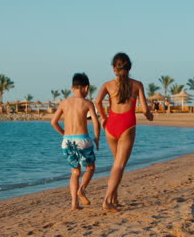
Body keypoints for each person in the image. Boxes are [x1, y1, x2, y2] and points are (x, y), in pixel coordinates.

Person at [95, 52, 153, 212]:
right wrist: (150, 116)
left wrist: (103, 117)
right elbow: (145, 109)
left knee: (116, 164)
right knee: (119, 165)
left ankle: (114, 198)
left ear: (114, 68)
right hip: (127, 125)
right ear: (130, 67)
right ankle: (107, 200)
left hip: (111, 125)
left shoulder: (108, 85)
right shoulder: (137, 85)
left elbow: (97, 101)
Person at [51, 73, 100, 210]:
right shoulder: (87, 103)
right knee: (90, 168)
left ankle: (74, 204)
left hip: (67, 141)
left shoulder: (64, 103)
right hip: (82, 139)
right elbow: (96, 123)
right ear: (86, 88)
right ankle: (82, 189)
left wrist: (64, 134)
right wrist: (97, 138)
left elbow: (53, 122)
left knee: (75, 172)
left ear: (72, 88)